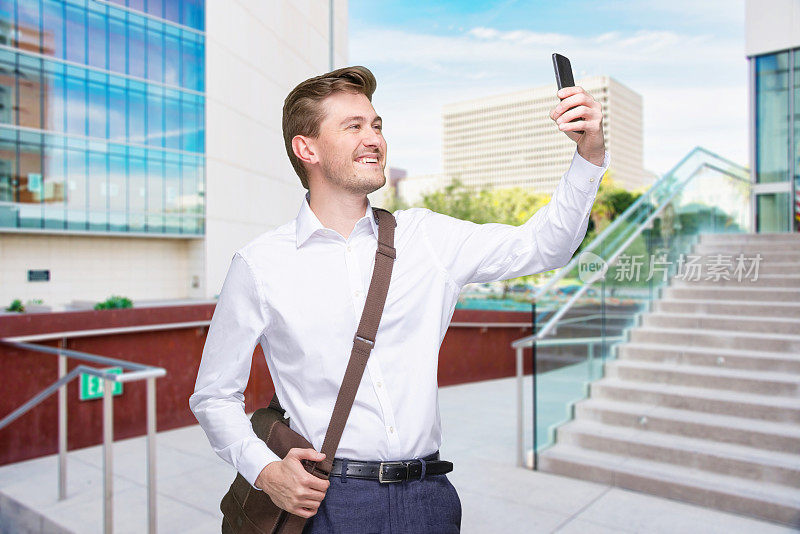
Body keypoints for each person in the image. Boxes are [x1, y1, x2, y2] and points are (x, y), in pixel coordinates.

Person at [189, 65, 609, 533]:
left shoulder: (427, 237)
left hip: (429, 499)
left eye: (376, 125)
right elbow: (213, 396)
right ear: (307, 148)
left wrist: (588, 156)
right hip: (328, 502)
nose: (373, 138)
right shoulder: (259, 263)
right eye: (353, 126)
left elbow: (546, 244)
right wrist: (265, 472)